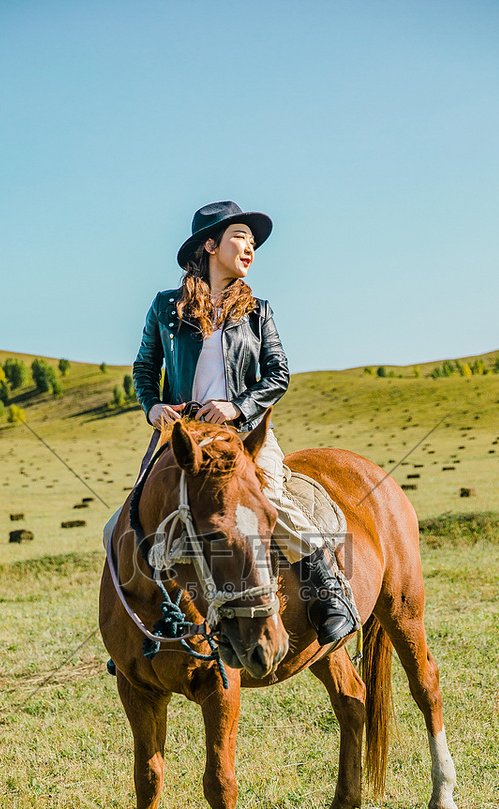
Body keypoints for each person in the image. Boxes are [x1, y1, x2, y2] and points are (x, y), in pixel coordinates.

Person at [130, 200, 357, 648]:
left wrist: (237, 408)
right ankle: (139, 629)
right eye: (240, 237)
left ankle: (328, 590)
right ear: (210, 245)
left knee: (270, 495)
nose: (250, 247)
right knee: (126, 522)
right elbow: (144, 368)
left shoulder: (259, 311)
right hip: (183, 438)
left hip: (243, 433)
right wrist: (154, 408)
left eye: (254, 242)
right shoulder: (165, 307)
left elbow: (278, 375)